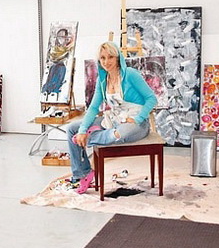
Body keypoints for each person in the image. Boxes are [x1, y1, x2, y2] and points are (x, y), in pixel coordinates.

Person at [66, 41, 157, 194]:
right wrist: (81, 130)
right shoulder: (102, 81)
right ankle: (83, 174)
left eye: (110, 57)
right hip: (113, 121)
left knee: (119, 133)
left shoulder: (130, 74)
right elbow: (93, 108)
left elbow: (151, 99)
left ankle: (91, 137)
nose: (106, 62)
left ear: (117, 57)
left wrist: (138, 118)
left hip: (136, 123)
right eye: (102, 58)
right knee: (72, 129)